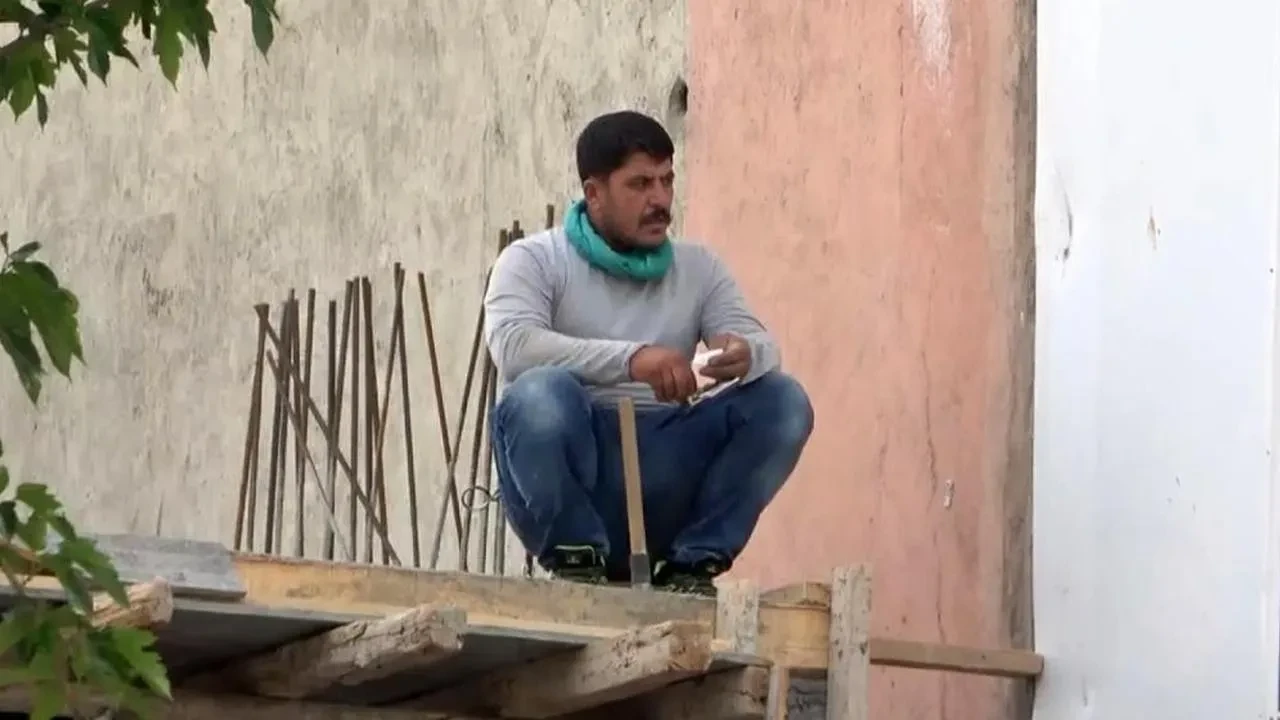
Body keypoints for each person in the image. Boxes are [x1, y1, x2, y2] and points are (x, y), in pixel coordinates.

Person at [483, 110, 813, 595]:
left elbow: (759, 344)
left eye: (667, 181)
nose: (659, 200)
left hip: (664, 468)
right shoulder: (534, 260)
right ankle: (577, 557)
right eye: (639, 184)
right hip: (579, 472)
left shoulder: (698, 267)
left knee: (784, 402)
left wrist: (745, 354)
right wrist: (633, 359)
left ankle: (692, 563)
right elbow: (514, 346)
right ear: (594, 193)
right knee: (538, 395)